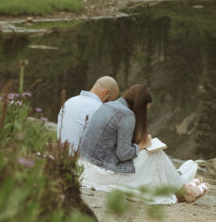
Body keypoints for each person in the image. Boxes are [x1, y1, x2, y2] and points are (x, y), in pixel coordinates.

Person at [79, 83, 207, 204]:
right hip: (102, 172)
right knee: (156, 154)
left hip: (87, 167)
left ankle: (180, 185)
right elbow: (123, 154)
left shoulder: (108, 106)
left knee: (153, 155)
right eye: (145, 109)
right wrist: (141, 145)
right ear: (140, 104)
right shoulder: (126, 114)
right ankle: (187, 191)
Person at [57, 75, 119, 153]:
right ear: (106, 93)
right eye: (109, 101)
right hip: (81, 162)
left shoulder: (70, 101)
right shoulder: (101, 110)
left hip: (60, 155)